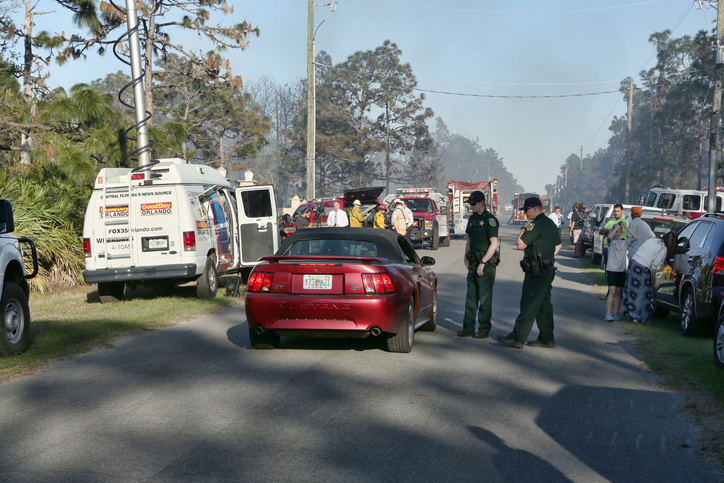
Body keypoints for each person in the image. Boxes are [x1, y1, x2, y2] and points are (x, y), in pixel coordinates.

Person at [498, 197, 562, 349]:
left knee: (529, 303)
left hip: (536, 272)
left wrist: (523, 230)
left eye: (526, 211)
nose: (525, 214)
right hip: (547, 269)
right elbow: (558, 245)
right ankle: (547, 338)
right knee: (544, 305)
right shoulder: (550, 223)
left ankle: (517, 338)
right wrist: (547, 258)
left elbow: (520, 245)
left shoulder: (535, 225)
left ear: (534, 209)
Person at [457, 190, 499, 338]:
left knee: (485, 298)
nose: (472, 206)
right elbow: (469, 238)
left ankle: (484, 328)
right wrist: (466, 255)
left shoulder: (490, 220)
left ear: (482, 202)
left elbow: (494, 244)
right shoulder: (473, 219)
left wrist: (483, 262)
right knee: (471, 297)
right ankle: (468, 327)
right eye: (470, 204)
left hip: (485, 264)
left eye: (474, 203)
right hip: (473, 261)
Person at [621, 232, 677, 324]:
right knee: (643, 293)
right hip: (642, 267)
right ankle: (639, 317)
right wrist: (663, 263)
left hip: (633, 262)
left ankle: (629, 312)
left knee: (630, 290)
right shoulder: (664, 248)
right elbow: (656, 263)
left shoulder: (653, 240)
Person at [600, 203, 637, 321]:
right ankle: (608, 313)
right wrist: (615, 228)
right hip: (612, 269)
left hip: (621, 270)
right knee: (611, 291)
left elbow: (635, 237)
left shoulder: (624, 241)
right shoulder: (612, 242)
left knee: (618, 292)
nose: (618, 233)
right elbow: (609, 237)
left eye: (619, 232)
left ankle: (616, 312)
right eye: (617, 232)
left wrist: (625, 228)